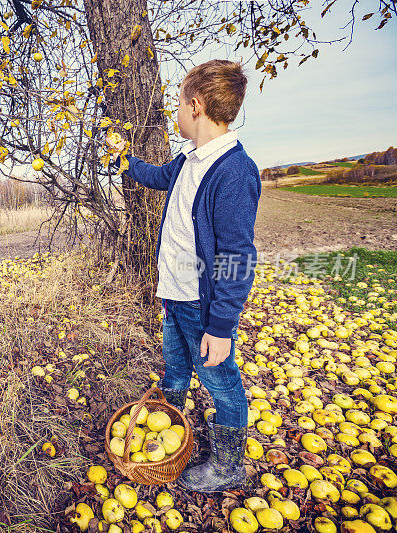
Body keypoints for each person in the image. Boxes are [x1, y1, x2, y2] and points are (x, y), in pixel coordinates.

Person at [107, 59, 261, 492]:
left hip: (201, 302)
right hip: (173, 295)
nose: (174, 111)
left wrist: (221, 325)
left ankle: (229, 465)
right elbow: (157, 177)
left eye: (177, 102)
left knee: (220, 381)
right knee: (175, 368)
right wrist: (124, 161)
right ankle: (164, 436)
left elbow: (238, 255)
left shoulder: (233, 171)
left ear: (195, 106)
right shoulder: (191, 160)